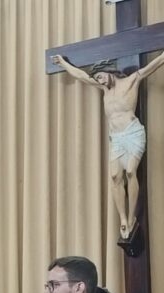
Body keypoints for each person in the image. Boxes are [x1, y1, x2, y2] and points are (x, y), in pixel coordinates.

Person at [52, 51, 164, 239]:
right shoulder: (104, 89)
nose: (100, 81)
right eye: (97, 79)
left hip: (132, 133)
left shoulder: (131, 80)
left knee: (130, 172)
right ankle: (123, 218)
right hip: (117, 138)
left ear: (110, 71)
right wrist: (63, 63)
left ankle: (131, 217)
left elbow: (152, 66)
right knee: (114, 176)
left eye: (101, 76)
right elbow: (81, 76)